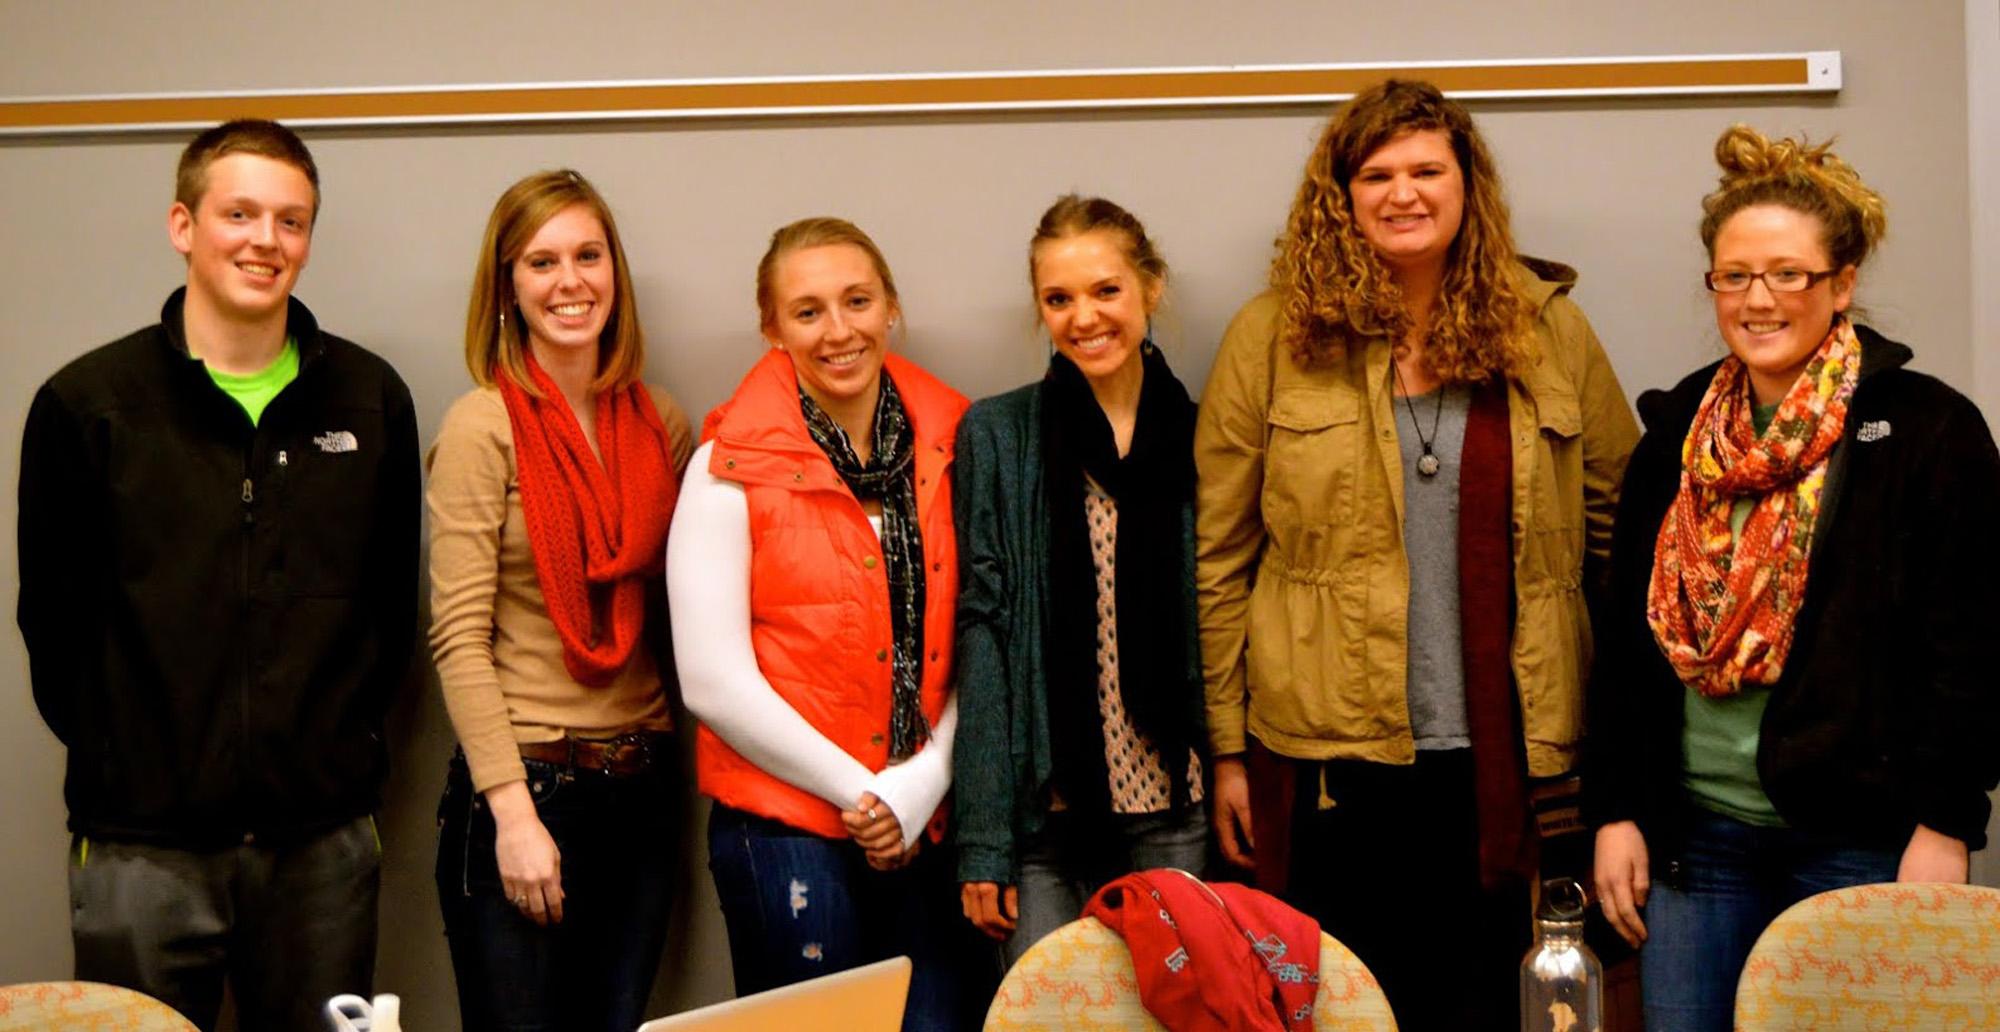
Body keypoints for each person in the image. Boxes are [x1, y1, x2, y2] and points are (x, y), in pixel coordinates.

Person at [1193, 79, 1638, 1029]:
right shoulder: (1272, 336)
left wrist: (1619, 749)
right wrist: (1226, 748)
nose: (1405, 193)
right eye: (1378, 173)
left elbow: (1623, 542)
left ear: (1466, 184)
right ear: (1341, 194)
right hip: (1328, 758)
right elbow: (1219, 560)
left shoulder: (1547, 328)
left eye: (1428, 169)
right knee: (1348, 1008)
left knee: (1489, 1006)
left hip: (1513, 760)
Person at [1584, 125, 2000, 1032]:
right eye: (1733, 275)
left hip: (1861, 837)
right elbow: (1624, 642)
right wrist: (1616, 811)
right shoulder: (1678, 435)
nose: (1757, 299)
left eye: (1787, 274)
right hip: (1694, 841)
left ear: (1841, 284)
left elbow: (1970, 649)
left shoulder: (1927, 431)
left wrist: (1946, 824)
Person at [16, 119, 419, 1030]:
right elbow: (54, 623)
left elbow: (391, 614)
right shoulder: (88, 408)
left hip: (322, 848)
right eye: (239, 213)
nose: (265, 241)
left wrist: (335, 760)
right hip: (141, 853)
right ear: (182, 225)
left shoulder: (369, 400)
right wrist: (135, 768)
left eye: (291, 220)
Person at [667, 218, 971, 1029]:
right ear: (772, 329)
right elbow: (712, 679)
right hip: (785, 823)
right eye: (807, 311)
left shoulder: (957, 447)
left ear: (891, 308)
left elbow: (986, 638)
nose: (838, 331)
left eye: (857, 301)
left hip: (928, 819)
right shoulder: (724, 465)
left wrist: (922, 784)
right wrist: (866, 796)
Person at [427, 169, 693, 1032]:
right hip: (527, 787)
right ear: (507, 286)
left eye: (588, 255)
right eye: (541, 262)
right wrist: (512, 815)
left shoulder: (663, 424)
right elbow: (459, 639)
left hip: (643, 793)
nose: (569, 281)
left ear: (615, 272)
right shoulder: (481, 426)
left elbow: (683, 616)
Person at [953, 195, 1208, 967]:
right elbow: (985, 637)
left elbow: (1233, 622)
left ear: (1150, 289)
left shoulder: (1206, 433)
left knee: (1181, 1022)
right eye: (1058, 299)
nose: (1084, 318)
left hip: (1175, 801)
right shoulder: (998, 435)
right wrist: (983, 841)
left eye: (1106, 290)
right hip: (1044, 815)